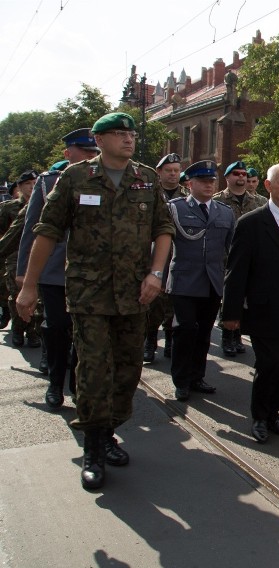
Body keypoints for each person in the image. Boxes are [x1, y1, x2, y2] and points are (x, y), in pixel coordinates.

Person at [17, 112, 174, 490]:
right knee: (93, 369)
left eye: (131, 134)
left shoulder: (146, 179)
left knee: (128, 369)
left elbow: (163, 229)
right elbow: (47, 231)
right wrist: (29, 285)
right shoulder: (73, 178)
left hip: (135, 293)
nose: (128, 139)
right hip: (89, 293)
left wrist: (156, 274)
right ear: (99, 140)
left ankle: (108, 431)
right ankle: (93, 445)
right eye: (119, 134)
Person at [221, 163, 279, 444]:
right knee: (270, 364)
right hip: (265, 309)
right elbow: (236, 272)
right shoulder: (251, 223)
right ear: (268, 186)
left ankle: (274, 413)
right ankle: (260, 416)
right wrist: (231, 313)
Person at [18, 130, 100, 409]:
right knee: (57, 328)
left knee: (86, 331)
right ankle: (55, 383)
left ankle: (78, 387)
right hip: (55, 271)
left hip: (92, 272)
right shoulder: (48, 183)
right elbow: (31, 232)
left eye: (94, 151)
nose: (91, 156)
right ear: (68, 154)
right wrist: (25, 276)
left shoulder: (106, 181)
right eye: (84, 151)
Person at [166, 161, 236, 401]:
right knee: (184, 330)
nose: (208, 184)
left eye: (211, 181)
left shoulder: (225, 212)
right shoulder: (175, 209)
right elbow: (162, 246)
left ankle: (197, 376)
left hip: (212, 282)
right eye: (203, 181)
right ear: (189, 184)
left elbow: (233, 249)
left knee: (204, 333)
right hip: (184, 281)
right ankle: (181, 380)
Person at [213, 160, 265, 356]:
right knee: (229, 298)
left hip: (251, 260)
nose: (241, 177)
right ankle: (228, 336)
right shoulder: (217, 201)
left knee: (245, 299)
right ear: (227, 178)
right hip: (224, 259)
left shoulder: (259, 203)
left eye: (244, 174)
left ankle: (238, 335)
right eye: (236, 174)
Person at [143, 153, 188, 363]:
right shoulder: (148, 193)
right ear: (158, 172)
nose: (173, 174)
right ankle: (150, 340)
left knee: (173, 305)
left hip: (178, 258)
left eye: (176, 170)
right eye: (168, 170)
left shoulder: (188, 195)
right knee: (153, 305)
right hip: (152, 257)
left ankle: (171, 340)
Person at [0, 170, 41, 348]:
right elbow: (3, 233)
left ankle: (33, 333)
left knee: (37, 296)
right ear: (19, 187)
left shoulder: (44, 204)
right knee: (16, 294)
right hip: (14, 257)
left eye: (35, 183)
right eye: (27, 184)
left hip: (38, 256)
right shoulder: (9, 207)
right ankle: (18, 329)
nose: (32, 187)